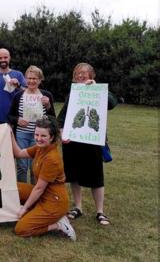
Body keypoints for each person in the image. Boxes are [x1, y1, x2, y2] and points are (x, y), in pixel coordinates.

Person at [57, 63, 118, 225]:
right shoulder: (73, 94)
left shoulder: (99, 91)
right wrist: (63, 133)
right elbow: (62, 118)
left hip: (92, 142)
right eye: (77, 73)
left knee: (96, 176)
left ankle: (100, 211)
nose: (80, 76)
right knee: (74, 176)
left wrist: (97, 87)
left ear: (92, 75)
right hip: (73, 142)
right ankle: (78, 207)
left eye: (83, 73)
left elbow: (112, 103)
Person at [11, 116, 76, 241]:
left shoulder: (52, 158)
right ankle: (36, 211)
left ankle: (59, 225)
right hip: (43, 194)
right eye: (36, 135)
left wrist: (24, 209)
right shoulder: (40, 148)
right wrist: (10, 134)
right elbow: (18, 153)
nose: (38, 139)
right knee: (13, 188)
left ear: (51, 137)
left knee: (21, 229)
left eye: (43, 136)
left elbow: (39, 188)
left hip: (54, 201)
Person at [8, 65, 55, 183]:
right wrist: (17, 120)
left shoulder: (46, 95)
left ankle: (35, 193)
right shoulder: (19, 96)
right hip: (21, 135)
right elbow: (9, 116)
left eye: (35, 78)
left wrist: (48, 105)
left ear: (40, 80)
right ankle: (22, 194)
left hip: (39, 136)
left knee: (36, 167)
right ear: (25, 79)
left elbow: (53, 118)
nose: (31, 81)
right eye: (29, 78)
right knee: (22, 167)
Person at [0, 48, 27, 124]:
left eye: (5, 57)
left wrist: (18, 85)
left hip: (14, 117)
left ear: (9, 58)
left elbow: (27, 93)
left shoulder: (18, 74)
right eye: (0, 58)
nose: (3, 60)